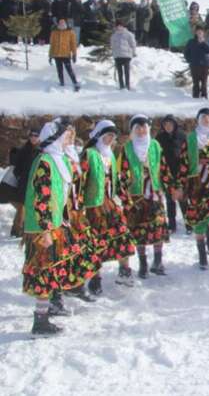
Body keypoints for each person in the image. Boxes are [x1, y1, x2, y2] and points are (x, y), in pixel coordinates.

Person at [23, 118, 99, 335]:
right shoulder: (45, 162)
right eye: (66, 134)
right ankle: (40, 322)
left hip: (58, 224)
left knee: (56, 267)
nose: (70, 138)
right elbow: (41, 199)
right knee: (43, 272)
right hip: (43, 229)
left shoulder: (60, 160)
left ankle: (54, 305)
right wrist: (46, 230)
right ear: (55, 137)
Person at [79, 120, 136, 295]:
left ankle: (124, 271)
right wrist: (78, 206)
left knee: (122, 234)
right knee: (96, 242)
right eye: (108, 135)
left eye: (113, 136)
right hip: (92, 205)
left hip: (109, 203)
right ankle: (95, 279)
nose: (111, 139)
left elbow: (116, 181)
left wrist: (124, 197)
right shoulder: (89, 154)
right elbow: (80, 183)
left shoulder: (110, 155)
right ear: (100, 135)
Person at [117, 115, 177, 280]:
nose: (141, 131)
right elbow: (121, 173)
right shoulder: (127, 148)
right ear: (132, 131)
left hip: (154, 193)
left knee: (158, 227)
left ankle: (158, 261)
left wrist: (171, 187)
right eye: (137, 128)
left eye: (144, 128)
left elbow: (163, 168)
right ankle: (143, 263)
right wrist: (124, 193)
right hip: (136, 196)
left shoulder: (155, 146)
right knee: (139, 230)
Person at [176, 108, 209, 269]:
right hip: (196, 182)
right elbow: (184, 161)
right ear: (198, 119)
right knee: (198, 218)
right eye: (203, 117)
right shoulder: (191, 138)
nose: (207, 119)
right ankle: (202, 256)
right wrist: (180, 184)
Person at [155, 115, 187, 234]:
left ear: (174, 125)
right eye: (165, 124)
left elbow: (186, 152)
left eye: (170, 124)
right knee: (169, 199)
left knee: (182, 198)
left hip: (180, 171)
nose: (168, 127)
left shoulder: (181, 136)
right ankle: (172, 224)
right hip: (166, 172)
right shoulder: (159, 138)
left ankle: (188, 223)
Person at [48, 18, 80, 91]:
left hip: (66, 54)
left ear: (65, 24)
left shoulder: (70, 32)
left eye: (63, 24)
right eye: (60, 24)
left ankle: (75, 82)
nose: (62, 26)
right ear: (58, 24)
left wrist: (74, 54)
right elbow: (52, 44)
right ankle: (61, 82)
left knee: (69, 69)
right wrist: (50, 55)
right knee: (59, 70)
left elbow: (73, 44)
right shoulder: (54, 32)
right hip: (57, 55)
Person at [183, 28, 209, 99]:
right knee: (196, 83)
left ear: (203, 33)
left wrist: (203, 42)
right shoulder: (191, 41)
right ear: (196, 33)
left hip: (205, 65)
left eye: (201, 32)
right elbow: (186, 52)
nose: (199, 33)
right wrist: (190, 60)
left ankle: (204, 97)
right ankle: (195, 97)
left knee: (204, 83)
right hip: (194, 65)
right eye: (198, 32)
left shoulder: (208, 40)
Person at [110, 20, 137, 90]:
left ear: (123, 26)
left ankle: (127, 85)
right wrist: (114, 53)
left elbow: (133, 44)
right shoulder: (114, 36)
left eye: (120, 26)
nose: (119, 27)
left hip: (126, 56)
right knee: (120, 72)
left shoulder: (128, 34)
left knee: (126, 71)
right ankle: (121, 85)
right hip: (118, 56)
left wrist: (133, 52)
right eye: (117, 26)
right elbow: (112, 46)